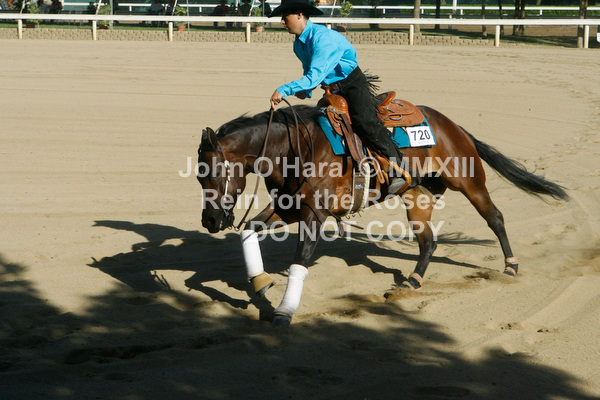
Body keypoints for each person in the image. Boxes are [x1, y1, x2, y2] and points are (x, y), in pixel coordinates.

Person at [268, 0, 408, 193]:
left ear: (299, 14)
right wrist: (305, 91)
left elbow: (314, 75)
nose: (282, 22)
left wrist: (285, 89)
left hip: (352, 83)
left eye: (285, 17)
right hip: (331, 89)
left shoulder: (323, 39)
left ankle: (399, 169)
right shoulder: (298, 45)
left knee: (364, 121)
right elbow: (310, 73)